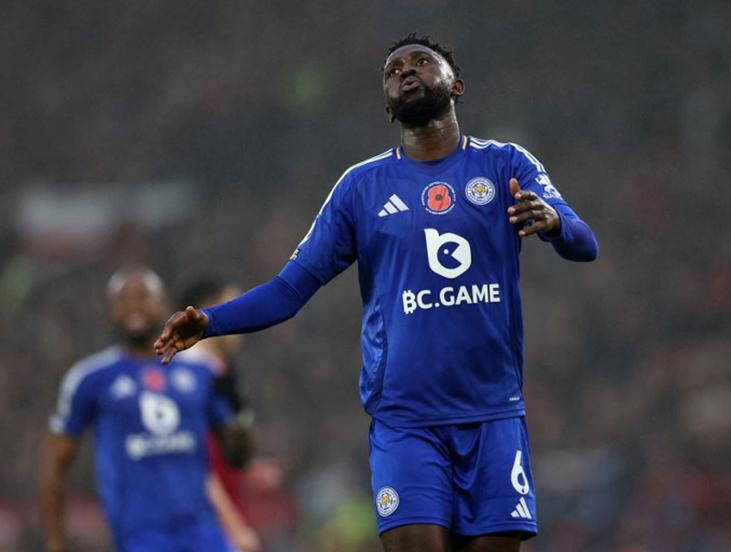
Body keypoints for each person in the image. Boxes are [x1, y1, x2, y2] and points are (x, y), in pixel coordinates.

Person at [155, 33, 598, 552]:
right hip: (407, 422)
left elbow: (584, 243)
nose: (406, 71)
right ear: (388, 107)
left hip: (494, 414)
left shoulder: (506, 165)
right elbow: (290, 289)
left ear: (456, 85)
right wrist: (211, 322)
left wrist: (552, 223)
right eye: (393, 70)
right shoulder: (361, 188)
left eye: (421, 63)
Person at [39, 268, 252, 552]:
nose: (133, 306)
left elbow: (237, 455)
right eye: (122, 299)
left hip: (204, 532)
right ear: (110, 311)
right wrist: (55, 543)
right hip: (142, 537)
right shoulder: (90, 379)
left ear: (164, 306)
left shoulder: (202, 373)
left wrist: (240, 417)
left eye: (143, 297)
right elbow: (54, 467)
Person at [179, 276, 266, 552]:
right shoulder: (185, 378)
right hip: (201, 523)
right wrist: (233, 526)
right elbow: (189, 461)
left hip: (222, 513)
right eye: (235, 305)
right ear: (207, 309)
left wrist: (248, 469)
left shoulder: (221, 370)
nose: (244, 316)